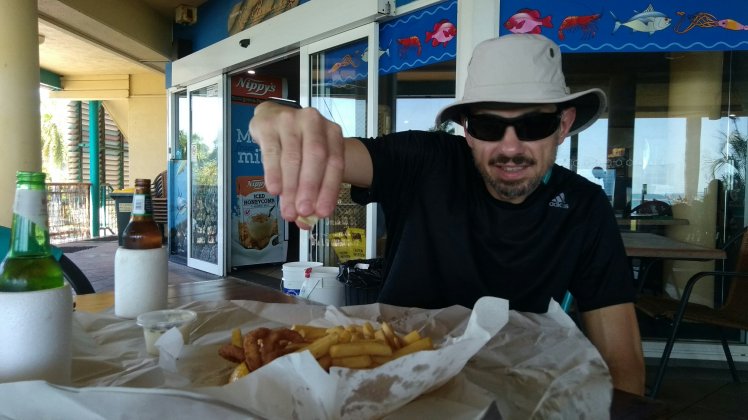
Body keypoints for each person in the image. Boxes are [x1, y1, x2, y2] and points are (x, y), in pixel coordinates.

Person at [249, 34, 645, 395]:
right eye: (488, 125)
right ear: (467, 130)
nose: (510, 148)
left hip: (512, 395)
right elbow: (337, 153)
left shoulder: (584, 206)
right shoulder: (426, 162)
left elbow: (622, 362)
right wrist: (276, 118)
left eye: (534, 124)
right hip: (392, 387)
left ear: (563, 125)